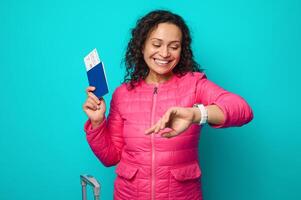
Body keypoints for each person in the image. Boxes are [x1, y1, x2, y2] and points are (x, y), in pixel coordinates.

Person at [83, 10, 253, 200]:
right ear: (142, 46)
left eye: (174, 46)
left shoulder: (195, 84)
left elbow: (243, 110)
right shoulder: (122, 94)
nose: (164, 53)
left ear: (182, 50)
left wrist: (196, 114)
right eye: (156, 44)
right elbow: (110, 157)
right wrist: (98, 123)